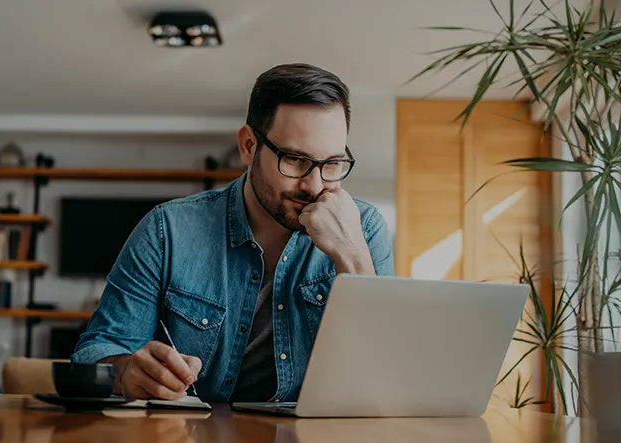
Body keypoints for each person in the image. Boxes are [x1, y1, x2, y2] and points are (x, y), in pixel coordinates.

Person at [71, 63, 394, 403]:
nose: (314, 185)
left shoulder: (364, 228)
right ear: (249, 146)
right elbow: (95, 352)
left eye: (331, 163)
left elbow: (386, 374)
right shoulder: (168, 230)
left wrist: (353, 257)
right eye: (296, 160)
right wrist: (126, 372)